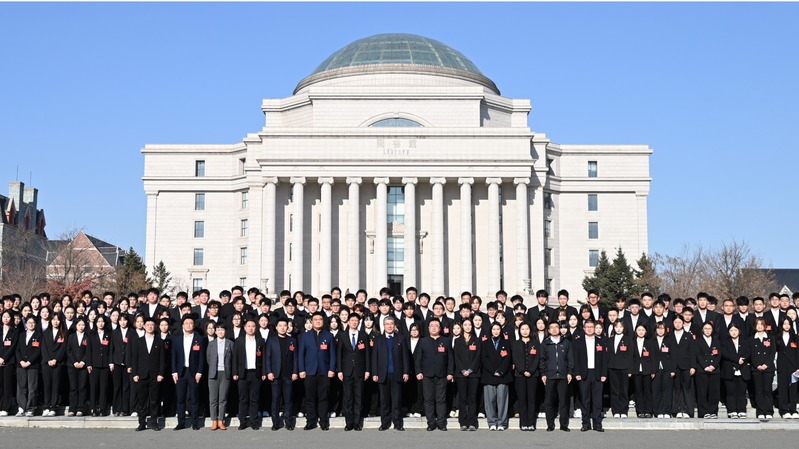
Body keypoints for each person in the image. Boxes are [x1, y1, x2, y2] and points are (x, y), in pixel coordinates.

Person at [298, 312, 336, 431]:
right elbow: (301, 354)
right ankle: (311, 421)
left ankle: (323, 421)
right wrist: (301, 369)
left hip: (324, 372)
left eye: (320, 319)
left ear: (323, 321)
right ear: (312, 321)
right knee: (310, 398)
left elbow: (333, 355)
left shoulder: (329, 336)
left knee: (323, 398)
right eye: (315, 319)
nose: (318, 321)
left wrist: (332, 369)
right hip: (309, 371)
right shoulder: (305, 336)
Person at [415, 318, 454, 431]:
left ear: (440, 328)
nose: (434, 328)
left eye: (436, 325)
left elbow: (451, 358)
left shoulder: (446, 341)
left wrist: (450, 372)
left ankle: (441, 423)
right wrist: (418, 372)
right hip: (427, 375)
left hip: (442, 375)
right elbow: (418, 358)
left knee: (441, 399)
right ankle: (431, 423)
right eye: (431, 325)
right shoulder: (423, 341)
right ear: (428, 328)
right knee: (428, 399)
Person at [371, 316, 409, 431]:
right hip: (383, 374)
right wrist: (374, 373)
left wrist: (406, 372)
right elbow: (374, 357)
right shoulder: (378, 339)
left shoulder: (401, 338)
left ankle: (397, 422)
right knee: (384, 400)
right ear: (383, 325)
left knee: (396, 400)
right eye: (387, 324)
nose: (389, 326)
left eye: (391, 323)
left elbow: (405, 357)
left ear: (394, 325)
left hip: (397, 373)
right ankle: (385, 423)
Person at [171, 315, 206, 430]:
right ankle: (181, 423)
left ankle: (195, 423)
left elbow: (202, 357)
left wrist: (199, 372)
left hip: (193, 372)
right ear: (182, 325)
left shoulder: (199, 339)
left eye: (191, 323)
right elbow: (174, 356)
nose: (188, 325)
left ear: (194, 325)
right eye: (186, 323)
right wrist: (174, 372)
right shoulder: (177, 339)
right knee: (180, 398)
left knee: (194, 398)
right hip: (180, 372)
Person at [131, 317, 166, 431]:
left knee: (154, 400)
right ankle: (142, 423)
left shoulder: (159, 341)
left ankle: (154, 422)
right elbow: (134, 359)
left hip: (155, 376)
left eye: (152, 325)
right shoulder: (138, 341)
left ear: (155, 326)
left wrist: (161, 373)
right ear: (144, 326)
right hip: (141, 375)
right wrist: (135, 373)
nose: (150, 327)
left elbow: (162, 359)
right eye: (148, 325)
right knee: (142, 400)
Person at [337, 313, 370, 431]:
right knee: (348, 398)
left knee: (358, 398)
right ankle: (349, 422)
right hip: (346, 371)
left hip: (360, 371)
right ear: (348, 322)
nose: (354, 322)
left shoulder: (364, 335)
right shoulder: (343, 336)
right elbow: (339, 354)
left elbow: (367, 354)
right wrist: (339, 370)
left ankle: (357, 422)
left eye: (356, 321)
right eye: (352, 320)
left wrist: (367, 370)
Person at [572, 319, 606, 432]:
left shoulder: (601, 341)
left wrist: (604, 373)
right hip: (583, 374)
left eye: (592, 327)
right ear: (584, 328)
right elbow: (575, 359)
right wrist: (576, 373)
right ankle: (585, 423)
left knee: (597, 400)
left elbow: (605, 359)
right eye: (587, 327)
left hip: (597, 374)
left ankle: (597, 423)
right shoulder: (578, 341)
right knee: (585, 400)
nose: (590, 329)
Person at [232, 319, 266, 430]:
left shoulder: (260, 341)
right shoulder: (239, 341)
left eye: (253, 326)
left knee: (254, 399)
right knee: (243, 399)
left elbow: (264, 358)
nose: (251, 328)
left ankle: (254, 421)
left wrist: (264, 372)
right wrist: (235, 372)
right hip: (243, 373)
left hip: (256, 373)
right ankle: (242, 421)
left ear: (256, 328)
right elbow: (235, 358)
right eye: (249, 326)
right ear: (245, 328)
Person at [540, 320, 573, 432]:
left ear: (560, 329)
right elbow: (542, 360)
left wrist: (570, 372)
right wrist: (543, 373)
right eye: (552, 327)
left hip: (563, 375)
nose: (554, 329)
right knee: (549, 401)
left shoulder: (566, 342)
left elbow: (570, 359)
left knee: (563, 401)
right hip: (550, 375)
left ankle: (563, 424)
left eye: (556, 327)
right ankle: (550, 424)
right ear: (548, 330)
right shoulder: (545, 343)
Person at [266, 318, 299, 431]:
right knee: (275, 399)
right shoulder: (271, 341)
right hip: (275, 374)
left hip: (288, 374)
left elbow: (295, 358)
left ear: (288, 327)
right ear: (276, 327)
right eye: (280, 326)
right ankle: (276, 422)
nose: (282, 328)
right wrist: (269, 372)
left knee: (288, 399)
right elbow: (268, 357)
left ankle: (288, 422)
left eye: (285, 326)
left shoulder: (292, 340)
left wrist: (295, 372)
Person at [481, 322, 512, 431]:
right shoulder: (485, 343)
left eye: (498, 329)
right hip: (489, 375)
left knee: (502, 400)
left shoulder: (506, 343)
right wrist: (493, 371)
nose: (496, 331)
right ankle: (492, 422)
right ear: (490, 330)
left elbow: (508, 358)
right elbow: (484, 358)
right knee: (490, 401)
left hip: (503, 375)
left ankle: (502, 422)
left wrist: (501, 371)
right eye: (494, 329)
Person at [453, 317, 480, 431]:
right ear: (462, 327)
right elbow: (456, 357)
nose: (468, 327)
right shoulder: (457, 341)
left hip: (474, 373)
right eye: (465, 325)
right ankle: (463, 422)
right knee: (462, 398)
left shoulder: (476, 340)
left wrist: (471, 369)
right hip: (461, 373)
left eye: (469, 325)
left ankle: (472, 422)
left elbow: (478, 356)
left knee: (472, 398)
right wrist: (463, 370)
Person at [720, 322, 750, 419]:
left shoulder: (745, 341)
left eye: (735, 330)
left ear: (739, 331)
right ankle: (732, 411)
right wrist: (737, 359)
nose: (733, 332)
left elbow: (748, 352)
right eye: (731, 330)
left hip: (743, 368)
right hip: (729, 369)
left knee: (741, 392)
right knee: (730, 392)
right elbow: (725, 354)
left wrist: (743, 359)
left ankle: (741, 410)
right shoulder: (724, 341)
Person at [206, 322, 233, 430]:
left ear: (225, 331)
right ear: (215, 332)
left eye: (222, 329)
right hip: (213, 373)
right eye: (218, 330)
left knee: (223, 398)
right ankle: (214, 420)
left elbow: (232, 359)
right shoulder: (211, 344)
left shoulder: (230, 343)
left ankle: (221, 420)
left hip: (225, 373)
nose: (220, 331)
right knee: (213, 399)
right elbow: (208, 358)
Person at [670, 314, 696, 418]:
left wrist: (693, 366)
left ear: (683, 323)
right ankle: (676, 410)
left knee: (687, 388)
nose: (677, 324)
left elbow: (692, 352)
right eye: (675, 322)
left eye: (679, 322)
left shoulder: (688, 336)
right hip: (674, 367)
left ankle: (687, 410)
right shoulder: (669, 336)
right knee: (676, 388)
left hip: (686, 366)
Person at [87, 314, 113, 416]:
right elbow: (89, 350)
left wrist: (110, 362)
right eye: (98, 322)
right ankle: (93, 408)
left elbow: (111, 349)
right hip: (94, 365)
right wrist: (89, 363)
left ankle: (102, 408)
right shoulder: (91, 334)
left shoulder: (109, 334)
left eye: (102, 321)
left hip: (105, 365)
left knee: (104, 387)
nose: (100, 324)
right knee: (93, 387)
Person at [15, 315, 41, 417]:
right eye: (29, 322)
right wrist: (21, 361)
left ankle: (31, 408)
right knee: (21, 387)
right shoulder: (21, 334)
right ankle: (21, 407)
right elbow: (17, 349)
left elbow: (38, 351)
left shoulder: (39, 335)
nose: (31, 324)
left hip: (33, 365)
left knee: (32, 388)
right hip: (21, 365)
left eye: (33, 323)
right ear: (25, 324)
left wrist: (29, 362)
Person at [41, 313, 66, 416]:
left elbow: (63, 348)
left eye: (57, 320)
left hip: (58, 363)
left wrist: (56, 359)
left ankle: (53, 407)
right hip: (46, 363)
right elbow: (43, 347)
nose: (55, 321)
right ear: (50, 321)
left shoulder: (64, 333)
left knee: (56, 385)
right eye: (53, 319)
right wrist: (48, 359)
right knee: (47, 385)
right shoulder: (45, 333)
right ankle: (46, 406)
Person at [750, 317, 775, 419]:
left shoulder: (770, 338)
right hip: (756, 369)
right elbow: (751, 353)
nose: (759, 326)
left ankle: (769, 411)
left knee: (767, 390)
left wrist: (766, 364)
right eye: (757, 324)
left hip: (768, 368)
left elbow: (772, 352)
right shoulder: (751, 339)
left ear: (765, 326)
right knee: (758, 390)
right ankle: (760, 411)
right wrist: (757, 365)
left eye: (761, 324)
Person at [694, 322, 721, 418]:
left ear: (712, 330)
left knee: (714, 392)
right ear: (702, 330)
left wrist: (713, 366)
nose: (707, 330)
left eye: (709, 328)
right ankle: (704, 412)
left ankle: (713, 411)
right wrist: (705, 366)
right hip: (702, 370)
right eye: (705, 328)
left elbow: (719, 355)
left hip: (714, 370)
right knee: (702, 392)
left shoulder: (716, 341)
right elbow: (698, 354)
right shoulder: (698, 341)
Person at [607, 320, 632, 418]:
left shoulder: (628, 339)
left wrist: (630, 370)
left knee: (624, 390)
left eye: (620, 327)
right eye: (616, 327)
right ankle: (616, 410)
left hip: (624, 368)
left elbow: (630, 355)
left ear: (623, 328)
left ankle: (623, 410)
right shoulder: (610, 340)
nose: (618, 329)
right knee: (614, 390)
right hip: (612, 367)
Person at [651, 322, 676, 419]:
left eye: (662, 328)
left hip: (667, 369)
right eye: (658, 328)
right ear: (655, 330)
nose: (660, 330)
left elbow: (673, 356)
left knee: (667, 390)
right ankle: (658, 411)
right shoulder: (652, 341)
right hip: (655, 369)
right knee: (656, 390)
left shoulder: (669, 340)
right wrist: (652, 370)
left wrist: (673, 370)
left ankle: (667, 411)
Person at [776, 317, 799, 418]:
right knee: (783, 388)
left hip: (793, 367)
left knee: (793, 388)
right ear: (781, 325)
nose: (786, 326)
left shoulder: (795, 337)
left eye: (788, 324)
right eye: (784, 324)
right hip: (782, 366)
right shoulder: (777, 337)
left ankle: (793, 410)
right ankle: (784, 410)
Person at [66, 317, 90, 416]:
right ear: (76, 325)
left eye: (83, 325)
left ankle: (81, 408)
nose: (81, 327)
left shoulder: (88, 336)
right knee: (73, 387)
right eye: (79, 325)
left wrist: (83, 362)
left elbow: (89, 351)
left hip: (83, 366)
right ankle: (72, 408)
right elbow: (68, 350)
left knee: (82, 387)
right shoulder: (71, 336)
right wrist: (74, 362)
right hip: (72, 365)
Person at [631, 323, 655, 418]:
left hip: (647, 370)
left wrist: (653, 371)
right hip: (636, 370)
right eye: (639, 330)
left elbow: (653, 357)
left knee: (647, 391)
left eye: (643, 330)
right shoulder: (632, 342)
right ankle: (640, 411)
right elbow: (630, 357)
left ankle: (648, 411)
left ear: (646, 332)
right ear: (636, 331)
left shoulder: (649, 342)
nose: (641, 332)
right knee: (638, 391)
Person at [111, 313, 131, 416]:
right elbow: (111, 348)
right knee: (117, 386)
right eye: (121, 320)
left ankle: (125, 409)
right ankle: (116, 409)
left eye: (124, 320)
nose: (123, 322)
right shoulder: (114, 332)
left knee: (126, 387)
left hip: (127, 364)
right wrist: (111, 362)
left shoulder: (132, 333)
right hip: (117, 362)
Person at [0, 310, 18, 416]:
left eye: (8, 317)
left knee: (7, 385)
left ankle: (6, 408)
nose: (5, 319)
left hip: (9, 362)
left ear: (11, 318)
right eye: (4, 317)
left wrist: (4, 358)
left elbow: (13, 347)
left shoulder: (14, 331)